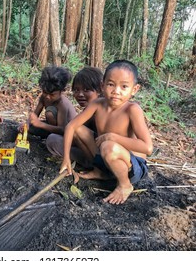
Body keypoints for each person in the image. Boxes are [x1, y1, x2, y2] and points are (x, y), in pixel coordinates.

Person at [60, 60, 153, 205]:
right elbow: (71, 126)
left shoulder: (132, 110)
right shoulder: (97, 104)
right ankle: (100, 172)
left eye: (124, 86)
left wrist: (113, 137)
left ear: (134, 90)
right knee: (79, 130)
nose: (116, 91)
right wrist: (65, 158)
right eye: (111, 84)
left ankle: (124, 185)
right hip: (106, 158)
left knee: (108, 145)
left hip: (132, 167)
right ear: (102, 85)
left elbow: (147, 148)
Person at [46, 67, 102, 166]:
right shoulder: (88, 110)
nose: (80, 94)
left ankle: (94, 165)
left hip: (104, 156)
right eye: (76, 90)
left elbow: (74, 130)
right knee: (53, 139)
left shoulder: (103, 109)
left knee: (55, 139)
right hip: (92, 149)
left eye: (86, 89)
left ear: (100, 89)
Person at [26, 66, 77, 138]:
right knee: (30, 129)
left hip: (67, 134)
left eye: (52, 94)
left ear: (61, 91)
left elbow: (63, 129)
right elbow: (35, 114)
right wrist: (27, 124)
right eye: (45, 92)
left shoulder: (62, 104)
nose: (47, 96)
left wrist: (40, 124)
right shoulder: (44, 97)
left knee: (50, 112)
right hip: (52, 127)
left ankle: (50, 136)